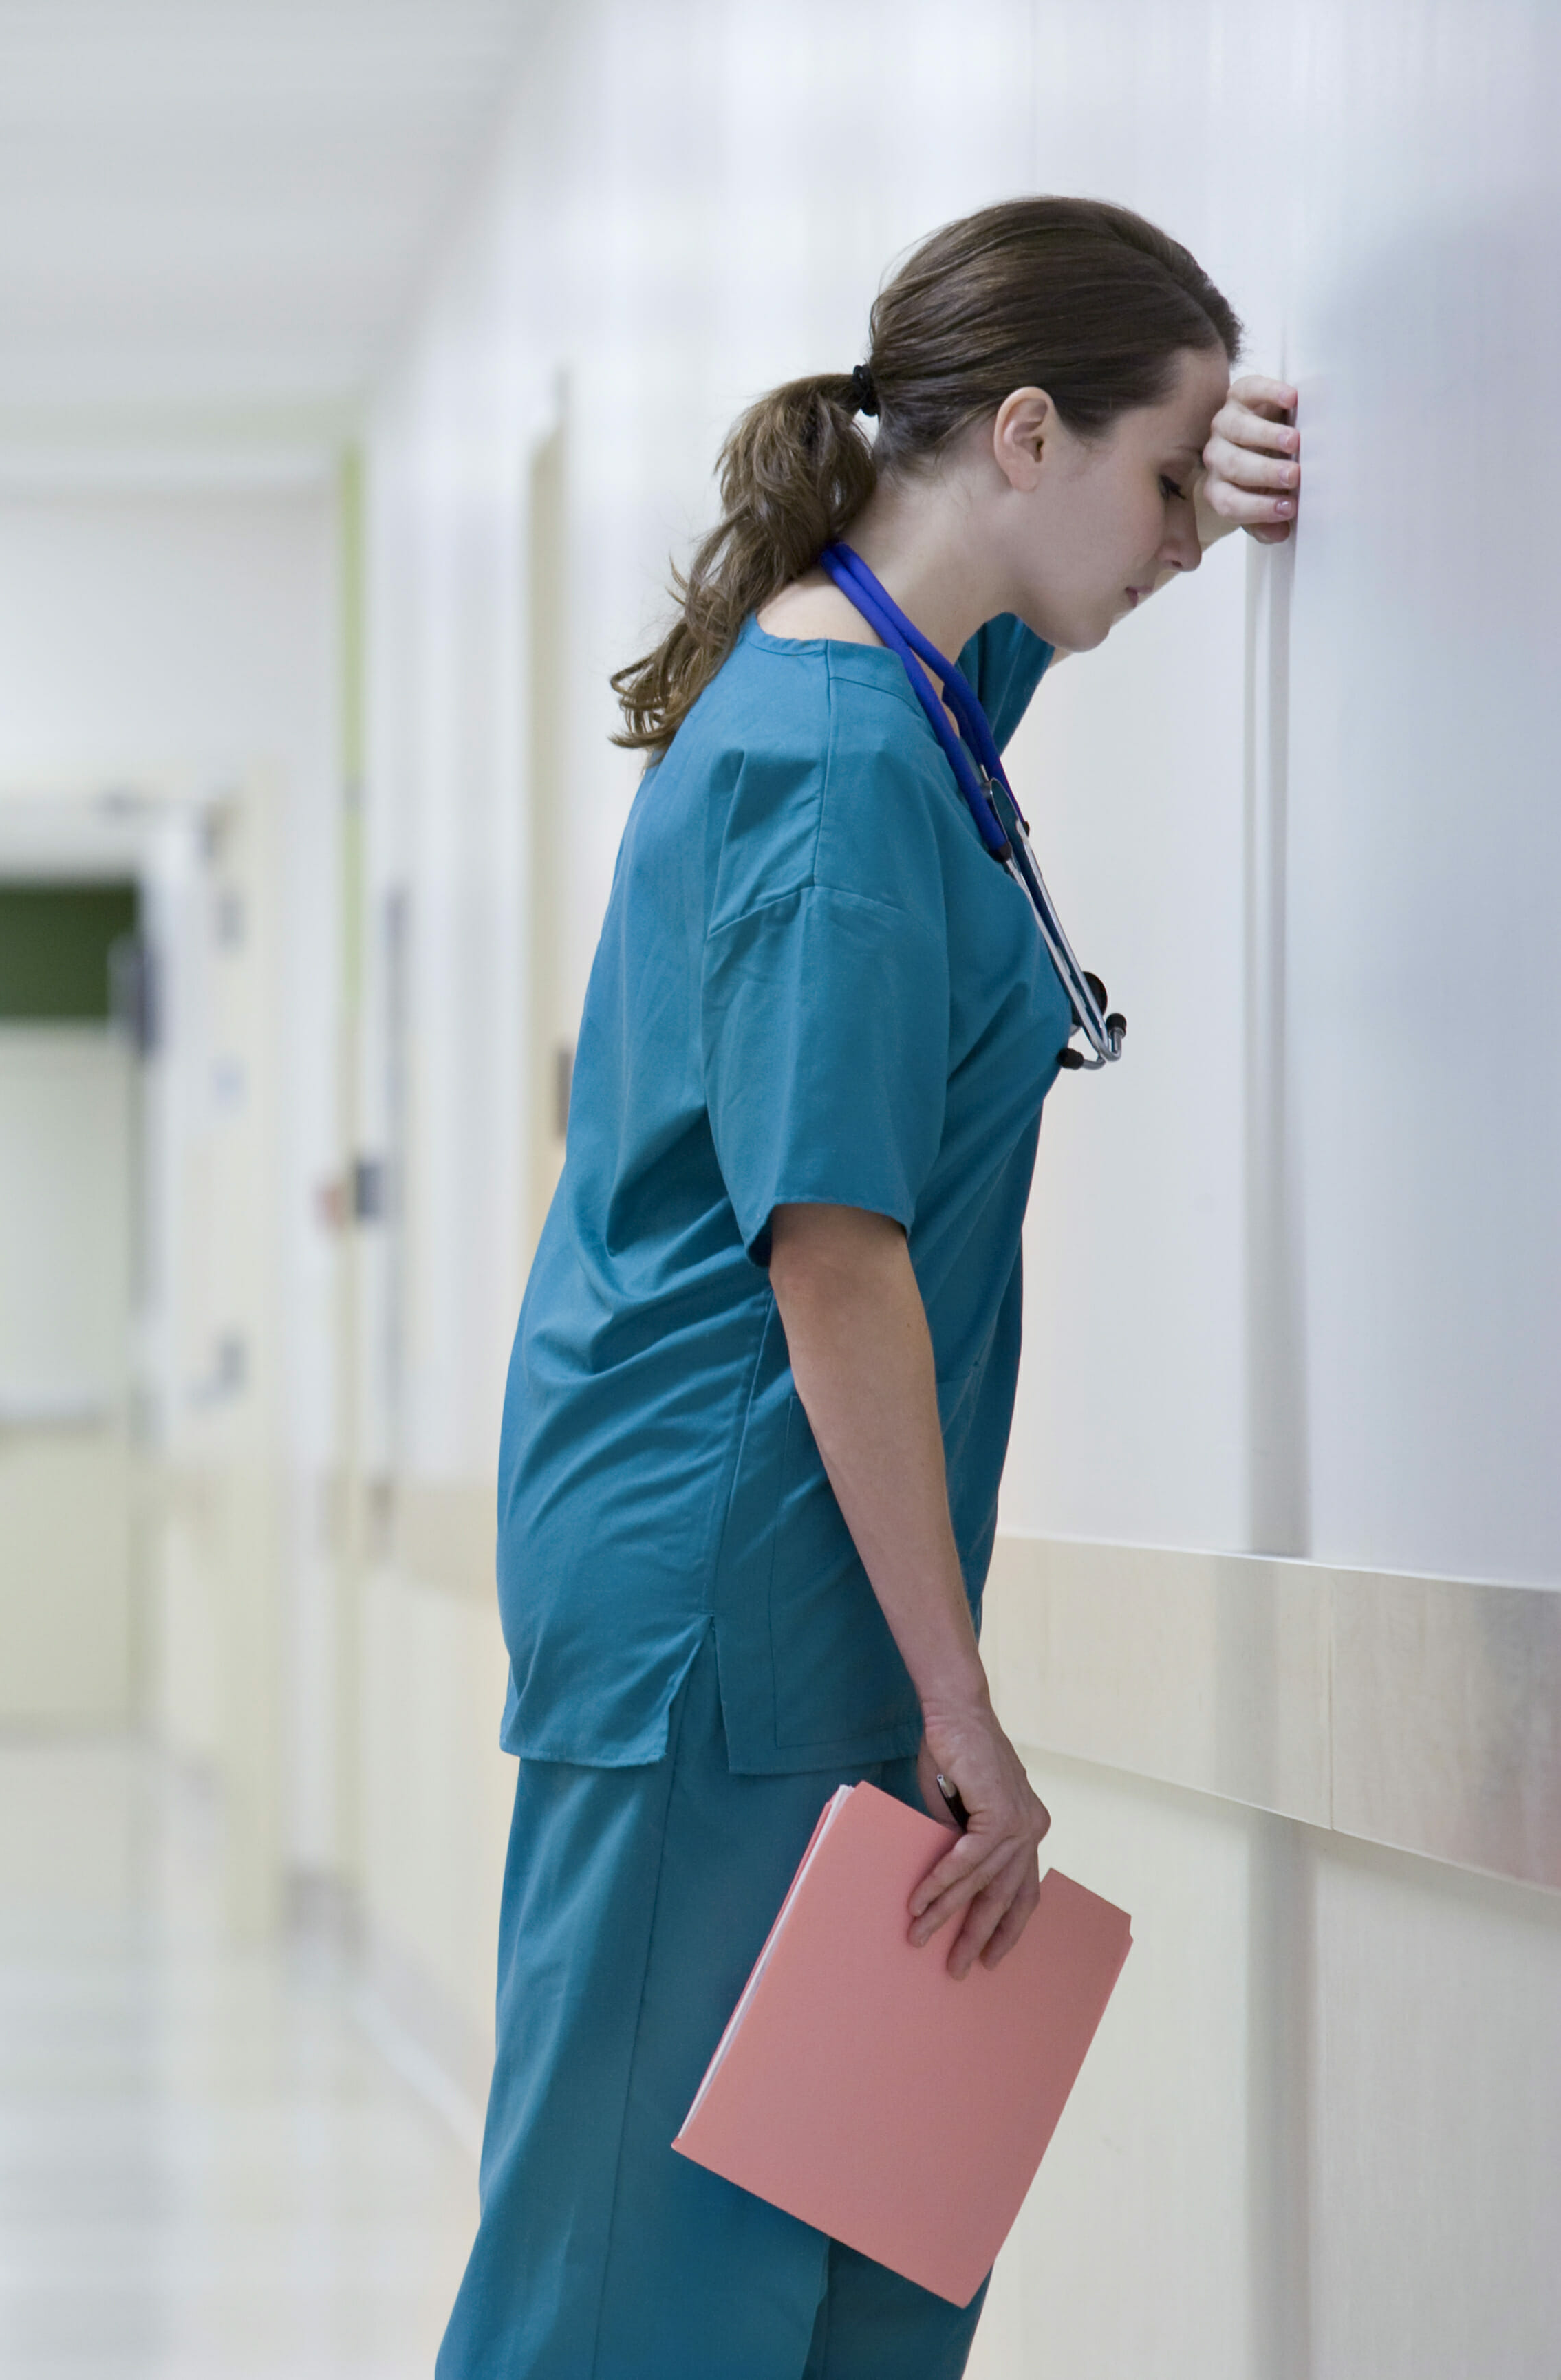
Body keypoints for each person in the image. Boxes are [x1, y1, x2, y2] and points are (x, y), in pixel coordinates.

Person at [437, 196, 1304, 2379]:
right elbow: (834, 1264)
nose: (1193, 526)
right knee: (629, 2298)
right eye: (1168, 471)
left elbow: (1020, 622)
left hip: (794, 1609)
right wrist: (966, 1707)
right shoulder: (833, 774)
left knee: (862, 2262)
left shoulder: (899, 696)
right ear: (1023, 433)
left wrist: (1236, 459)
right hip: (724, 1627)